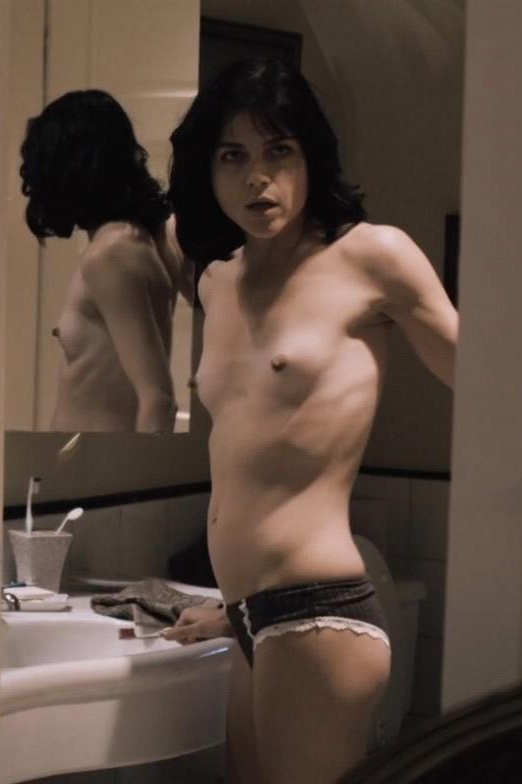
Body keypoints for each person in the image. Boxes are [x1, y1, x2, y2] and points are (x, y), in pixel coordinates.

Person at [157, 58, 458, 784]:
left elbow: (490, 389)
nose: (257, 178)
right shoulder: (218, 280)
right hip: (247, 614)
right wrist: (233, 611)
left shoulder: (371, 256)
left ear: (311, 156)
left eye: (278, 151)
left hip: (316, 610)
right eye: (233, 156)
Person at [19, 89, 184, 433]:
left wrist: (135, 466)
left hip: (94, 461)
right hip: (84, 460)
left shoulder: (112, 252)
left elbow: (158, 398)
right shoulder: (149, 235)